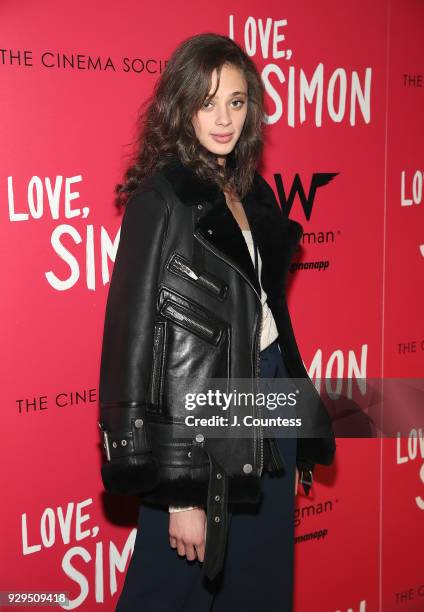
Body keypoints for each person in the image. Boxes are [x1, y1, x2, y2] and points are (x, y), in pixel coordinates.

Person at [98, 32, 336, 612]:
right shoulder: (162, 201)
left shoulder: (253, 193)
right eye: (208, 102)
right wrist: (179, 495)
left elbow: (270, 316)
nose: (224, 118)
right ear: (181, 106)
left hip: (268, 398)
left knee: (260, 587)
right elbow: (133, 350)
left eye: (236, 101)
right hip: (202, 419)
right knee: (170, 591)